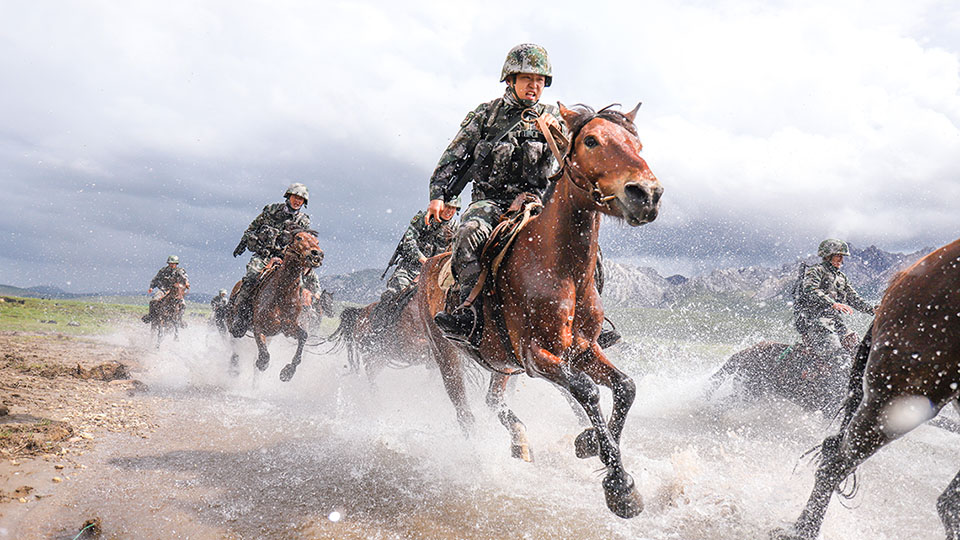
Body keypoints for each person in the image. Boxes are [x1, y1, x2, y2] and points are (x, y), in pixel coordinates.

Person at [428, 43, 564, 338]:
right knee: (467, 234)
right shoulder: (487, 115)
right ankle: (470, 314)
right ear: (510, 80)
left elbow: (577, 161)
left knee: (585, 242)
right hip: (491, 202)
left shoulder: (554, 116)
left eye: (539, 80)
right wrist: (438, 195)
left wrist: (559, 133)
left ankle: (589, 320)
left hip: (538, 203)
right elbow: (454, 155)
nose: (534, 85)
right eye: (527, 78)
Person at [230, 183, 321, 333]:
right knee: (251, 277)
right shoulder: (271, 210)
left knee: (300, 286)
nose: (297, 201)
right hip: (264, 256)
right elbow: (253, 227)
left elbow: (302, 243)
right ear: (288, 196)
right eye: (295, 197)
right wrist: (243, 242)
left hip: (286, 260)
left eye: (301, 199)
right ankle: (240, 315)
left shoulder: (303, 221)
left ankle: (296, 321)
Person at [372, 197, 460, 329]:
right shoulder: (424, 219)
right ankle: (377, 329)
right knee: (393, 294)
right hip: (411, 269)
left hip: (437, 274)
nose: (449, 211)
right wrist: (424, 261)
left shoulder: (456, 228)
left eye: (453, 208)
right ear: (440, 206)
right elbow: (408, 241)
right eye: (447, 207)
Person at [794, 238, 875, 374]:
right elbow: (810, 290)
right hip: (816, 322)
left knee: (858, 351)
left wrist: (872, 310)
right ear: (828, 255)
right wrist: (833, 303)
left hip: (835, 322)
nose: (841, 260)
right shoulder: (816, 271)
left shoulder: (841, 277)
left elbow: (854, 299)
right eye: (838, 256)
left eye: (842, 256)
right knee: (839, 358)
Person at [143, 255, 190, 323]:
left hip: (175, 290)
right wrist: (151, 287)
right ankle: (151, 315)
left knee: (183, 304)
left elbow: (185, 277)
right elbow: (156, 279)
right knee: (154, 300)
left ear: (176, 264)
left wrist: (186, 283)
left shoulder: (180, 271)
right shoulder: (163, 270)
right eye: (170, 263)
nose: (172, 265)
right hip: (164, 289)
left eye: (173, 263)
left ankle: (179, 319)